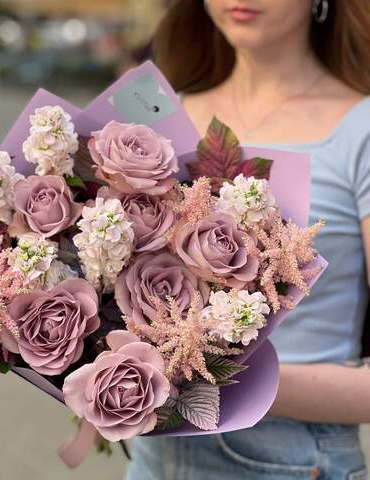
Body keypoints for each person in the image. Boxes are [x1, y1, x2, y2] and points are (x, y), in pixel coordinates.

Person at [126, 1, 370, 479]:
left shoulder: (360, 130)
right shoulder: (156, 120)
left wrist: (217, 379)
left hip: (293, 461)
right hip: (156, 462)